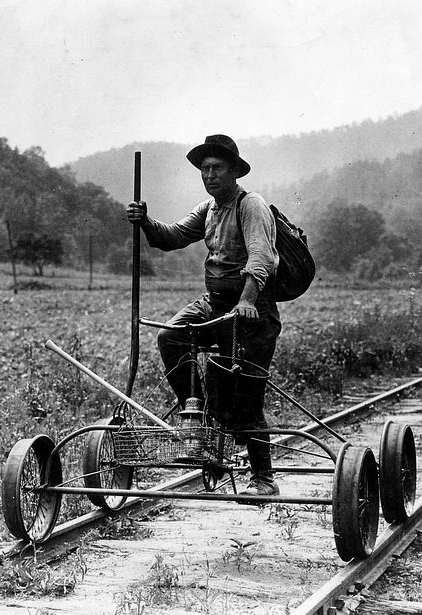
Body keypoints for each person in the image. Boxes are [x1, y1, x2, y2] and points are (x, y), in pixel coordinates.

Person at [126, 134, 282, 496]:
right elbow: (173, 236)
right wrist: (145, 220)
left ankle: (263, 479)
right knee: (171, 336)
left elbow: (260, 257)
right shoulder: (208, 209)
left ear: (233, 172)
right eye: (205, 169)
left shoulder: (251, 205)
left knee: (245, 395)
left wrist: (246, 300)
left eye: (217, 168)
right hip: (214, 303)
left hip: (252, 310)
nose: (209, 175)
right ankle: (198, 419)